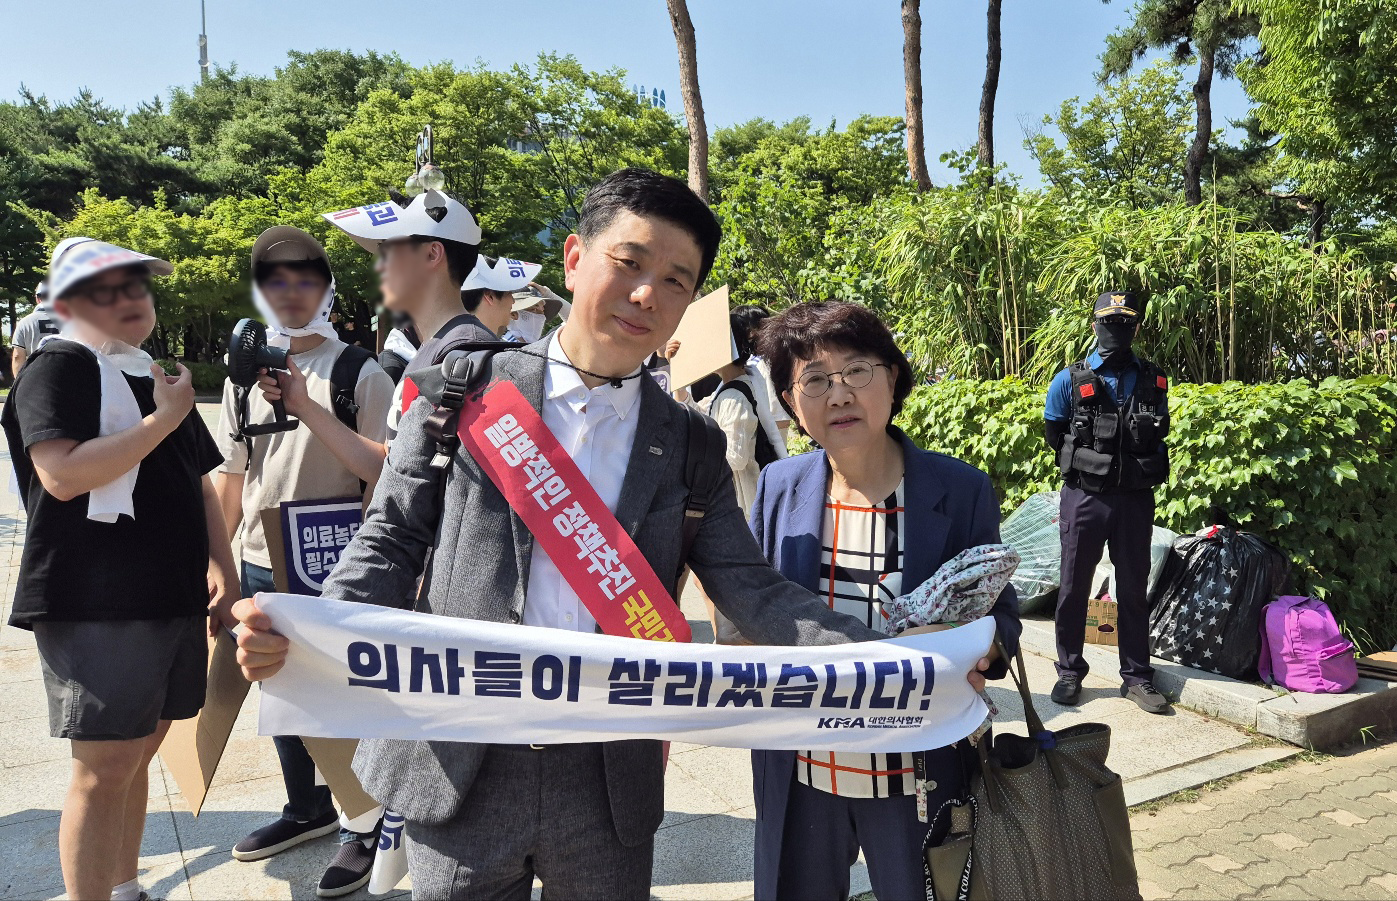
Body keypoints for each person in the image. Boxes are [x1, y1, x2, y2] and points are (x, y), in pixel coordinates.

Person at [233, 168, 1002, 899]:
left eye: (675, 280)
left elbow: (755, 591)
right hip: (458, 759)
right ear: (574, 258)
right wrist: (302, 631)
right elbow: (392, 539)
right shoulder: (464, 390)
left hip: (605, 782)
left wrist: (901, 662)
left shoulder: (692, 444)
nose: (645, 294)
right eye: (628, 263)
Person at [747, 300, 1021, 900]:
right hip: (804, 767)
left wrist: (984, 651)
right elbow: (749, 604)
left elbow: (1001, 610)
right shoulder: (777, 488)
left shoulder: (960, 490)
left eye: (856, 371)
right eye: (814, 380)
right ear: (791, 402)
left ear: (892, 378)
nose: (838, 394)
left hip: (916, 772)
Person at [1, 237, 237, 901]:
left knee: (137, 756)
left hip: (170, 592)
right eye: (109, 289)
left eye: (139, 287)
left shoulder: (152, 374)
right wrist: (164, 418)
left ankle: (126, 887)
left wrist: (224, 570)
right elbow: (63, 474)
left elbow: (198, 482)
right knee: (104, 767)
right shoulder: (58, 366)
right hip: (96, 597)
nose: (132, 300)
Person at [214, 227, 395, 898]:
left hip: (336, 562)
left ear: (328, 290)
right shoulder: (241, 378)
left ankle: (364, 823)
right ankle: (306, 806)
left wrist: (304, 403)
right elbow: (233, 475)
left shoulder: (359, 373)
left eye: (305, 279)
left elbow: (384, 473)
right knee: (281, 696)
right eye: (275, 281)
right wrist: (218, 564)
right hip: (263, 560)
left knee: (345, 699)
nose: (291, 294)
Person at [1044, 290, 1172, 714]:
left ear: (1136, 328)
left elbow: (1158, 431)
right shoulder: (1068, 380)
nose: (1115, 330)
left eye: (1124, 324)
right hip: (1084, 498)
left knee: (1133, 589)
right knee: (1073, 588)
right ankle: (1069, 672)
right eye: (1108, 323)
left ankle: (1136, 677)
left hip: (1134, 499)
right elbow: (1054, 434)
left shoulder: (1154, 379)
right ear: (1094, 326)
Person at [321, 188, 493, 435]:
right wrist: (303, 405)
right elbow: (391, 455)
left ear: (432, 253)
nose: (378, 267)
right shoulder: (434, 348)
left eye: (386, 250)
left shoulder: (468, 356)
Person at [460, 254, 537, 338]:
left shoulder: (460, 338)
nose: (513, 301)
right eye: (509, 293)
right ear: (490, 296)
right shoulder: (479, 343)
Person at [11, 279, 61, 377]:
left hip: (36, 378)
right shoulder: (72, 321)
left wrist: (19, 382)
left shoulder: (24, 322)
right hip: (65, 376)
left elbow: (17, 357)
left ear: (37, 299)